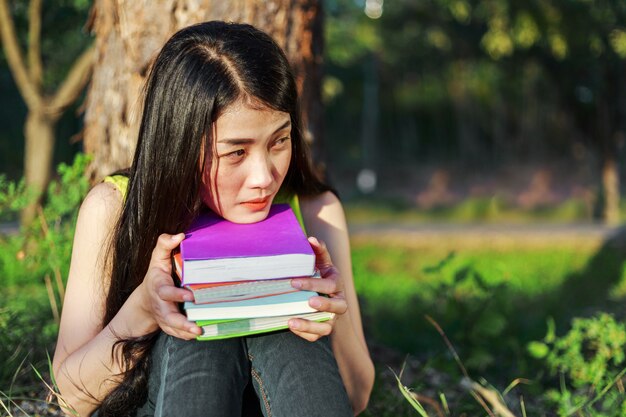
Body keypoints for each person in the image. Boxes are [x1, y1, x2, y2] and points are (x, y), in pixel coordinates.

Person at [52, 21, 374, 417]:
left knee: (289, 329)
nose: (264, 177)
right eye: (236, 153)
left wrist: (325, 313)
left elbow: (357, 396)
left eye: (279, 141)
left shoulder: (317, 209)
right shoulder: (113, 209)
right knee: (197, 323)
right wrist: (145, 310)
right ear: (182, 144)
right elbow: (70, 397)